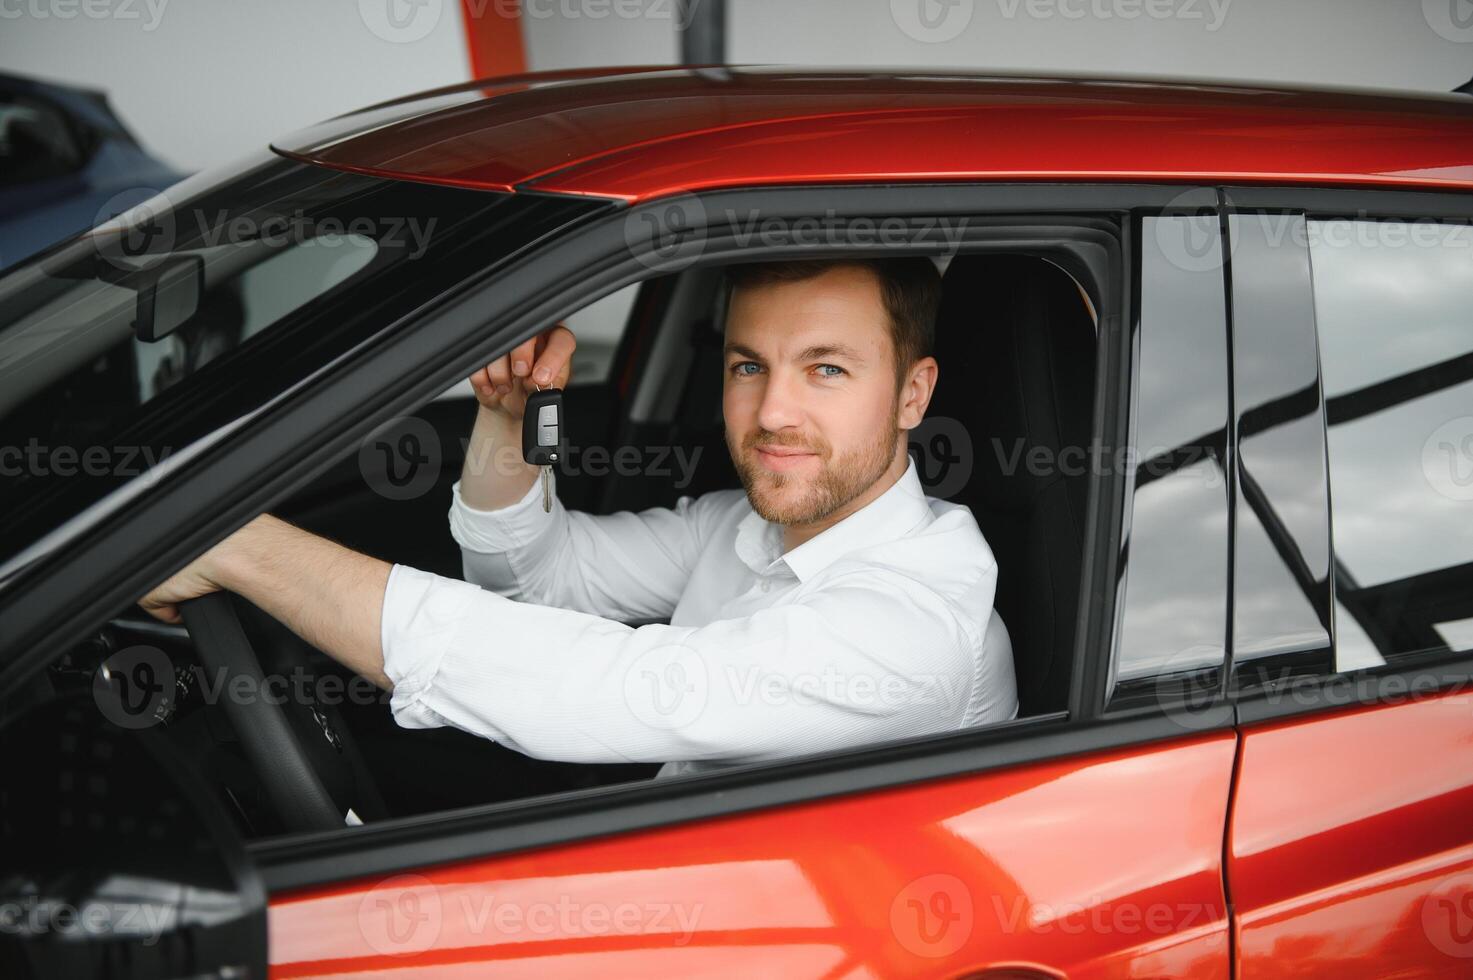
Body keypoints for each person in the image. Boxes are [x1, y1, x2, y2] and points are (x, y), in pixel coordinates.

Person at [141, 257, 1018, 778]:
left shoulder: (912, 626)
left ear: (912, 392)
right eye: (749, 366)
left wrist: (240, 546)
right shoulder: (745, 528)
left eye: (826, 370)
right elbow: (534, 575)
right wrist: (507, 420)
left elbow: (609, 689)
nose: (773, 413)